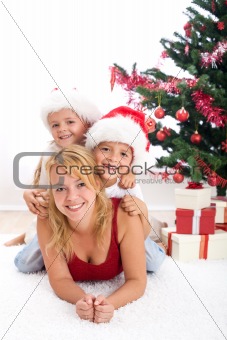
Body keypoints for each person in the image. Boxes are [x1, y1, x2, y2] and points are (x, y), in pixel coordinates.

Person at [37, 145, 147, 323]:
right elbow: (59, 278)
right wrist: (82, 300)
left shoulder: (124, 214)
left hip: (132, 229)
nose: (71, 197)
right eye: (60, 188)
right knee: (26, 260)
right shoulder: (46, 219)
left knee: (153, 259)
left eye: (80, 184)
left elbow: (137, 280)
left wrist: (109, 304)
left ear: (96, 184)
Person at [10, 88, 102, 269]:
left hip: (94, 216)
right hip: (62, 216)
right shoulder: (50, 154)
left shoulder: (98, 150)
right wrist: (30, 194)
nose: (62, 129)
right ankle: (27, 236)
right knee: (27, 264)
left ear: (88, 123)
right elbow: (44, 191)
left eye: (70, 122)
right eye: (55, 125)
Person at [85, 106, 166, 272]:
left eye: (123, 154)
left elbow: (141, 226)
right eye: (105, 149)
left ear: (131, 163)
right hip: (96, 234)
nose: (113, 158)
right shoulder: (84, 179)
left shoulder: (129, 185)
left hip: (128, 234)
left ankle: (160, 247)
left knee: (153, 263)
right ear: (92, 151)